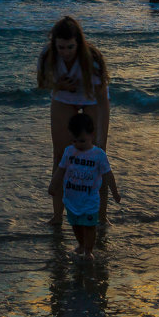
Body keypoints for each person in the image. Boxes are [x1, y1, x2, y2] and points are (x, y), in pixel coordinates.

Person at [37, 15, 111, 224]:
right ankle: (57, 217)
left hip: (92, 100)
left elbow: (103, 98)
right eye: (61, 47)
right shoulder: (47, 56)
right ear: (54, 44)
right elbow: (41, 83)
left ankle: (102, 218)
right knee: (60, 156)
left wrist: (102, 138)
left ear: (78, 42)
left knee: (97, 157)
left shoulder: (92, 58)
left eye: (70, 47)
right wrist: (58, 85)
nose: (66, 52)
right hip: (63, 99)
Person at [48, 112, 121, 260]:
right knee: (75, 224)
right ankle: (81, 244)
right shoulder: (69, 151)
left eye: (82, 141)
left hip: (90, 200)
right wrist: (53, 185)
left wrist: (115, 193)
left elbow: (108, 175)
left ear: (91, 135)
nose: (78, 145)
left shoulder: (98, 155)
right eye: (74, 141)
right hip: (71, 199)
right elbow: (60, 170)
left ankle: (88, 250)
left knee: (89, 226)